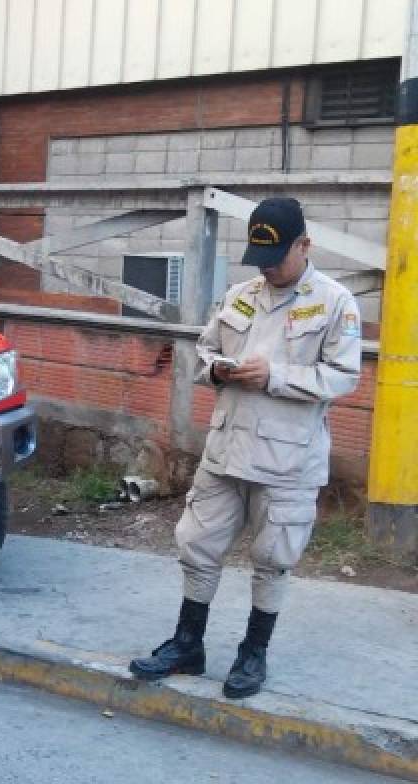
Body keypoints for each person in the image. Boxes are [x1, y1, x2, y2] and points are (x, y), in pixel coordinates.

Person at [129, 198, 362, 699]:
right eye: (260, 257)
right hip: (226, 449)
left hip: (288, 461)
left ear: (305, 245)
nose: (268, 267)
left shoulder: (335, 301)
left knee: (273, 557)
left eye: (277, 255)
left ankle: (252, 654)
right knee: (196, 545)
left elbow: (343, 376)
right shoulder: (239, 296)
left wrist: (275, 376)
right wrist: (215, 368)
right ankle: (188, 644)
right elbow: (202, 351)